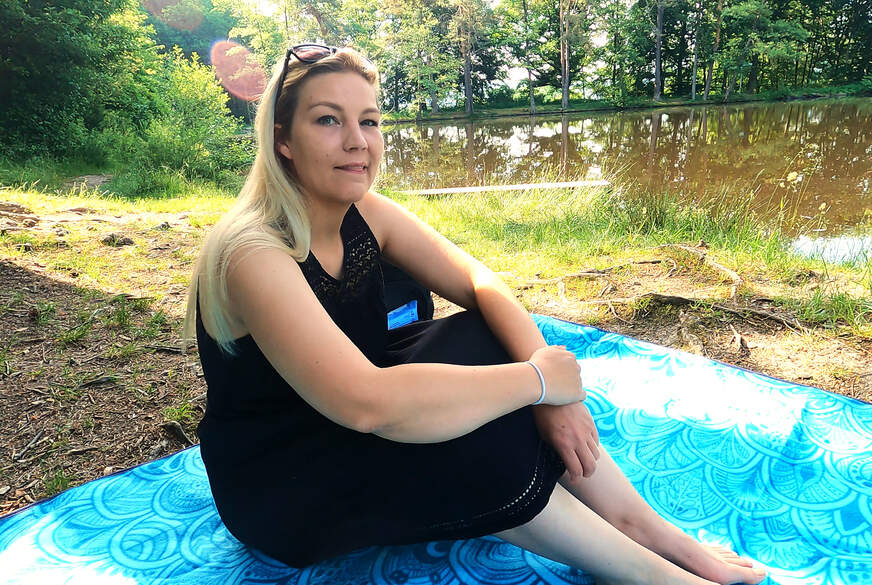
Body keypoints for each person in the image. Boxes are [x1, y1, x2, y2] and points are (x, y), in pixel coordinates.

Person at [185, 44, 766, 585]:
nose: (358, 142)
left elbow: (478, 281)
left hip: (362, 416)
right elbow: (367, 404)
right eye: (328, 120)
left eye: (370, 121)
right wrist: (537, 382)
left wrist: (552, 396)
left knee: (483, 337)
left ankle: (646, 528)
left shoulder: (367, 214)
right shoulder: (254, 252)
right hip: (285, 480)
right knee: (461, 432)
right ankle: (648, 571)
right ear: (283, 140)